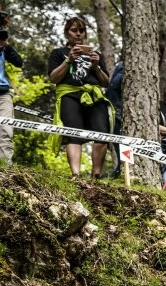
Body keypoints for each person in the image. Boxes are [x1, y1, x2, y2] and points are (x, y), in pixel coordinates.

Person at [47, 16, 113, 179]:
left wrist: (96, 67)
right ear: (66, 33)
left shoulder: (95, 55)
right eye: (74, 30)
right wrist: (68, 60)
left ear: (85, 34)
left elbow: (105, 82)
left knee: (102, 133)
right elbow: (54, 78)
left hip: (94, 95)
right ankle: (75, 175)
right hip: (69, 94)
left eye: (81, 31)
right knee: (73, 133)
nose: (78, 34)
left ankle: (96, 175)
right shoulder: (58, 53)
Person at [0, 3, 22, 163]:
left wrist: (5, 45)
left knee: (5, 129)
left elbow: (18, 62)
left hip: (1, 91)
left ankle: (2, 166)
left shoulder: (0, 42)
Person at [105, 58, 123, 177]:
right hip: (116, 111)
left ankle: (120, 169)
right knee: (118, 145)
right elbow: (112, 87)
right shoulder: (122, 66)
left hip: (119, 111)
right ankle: (120, 169)